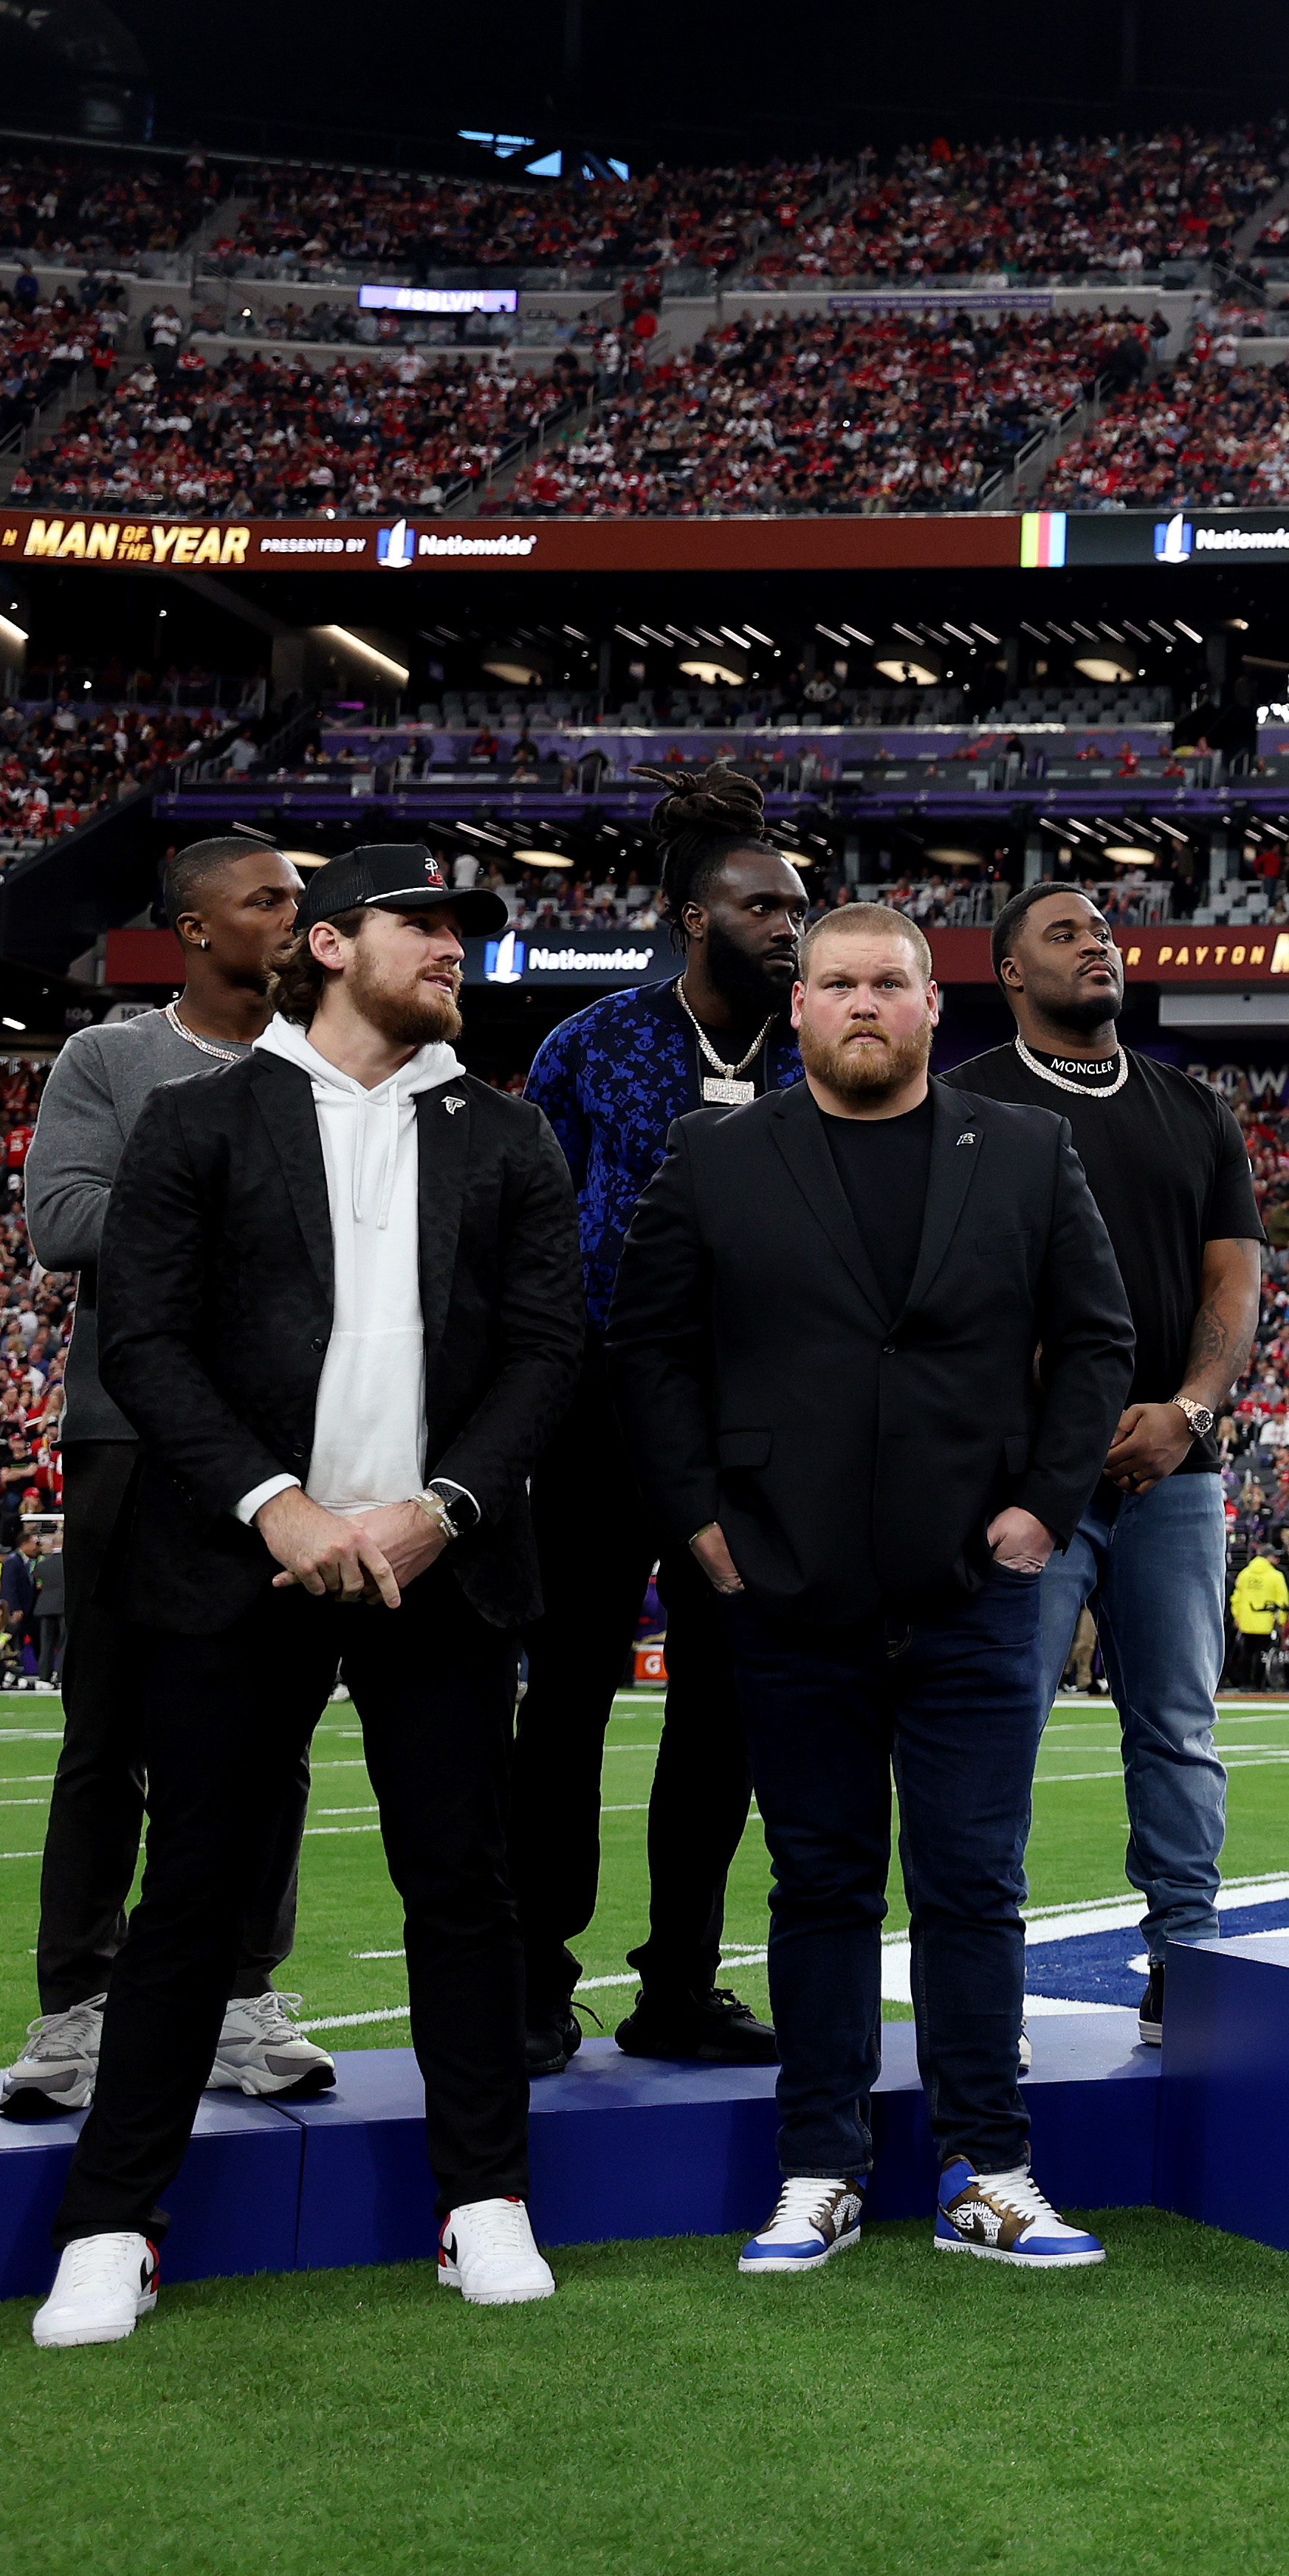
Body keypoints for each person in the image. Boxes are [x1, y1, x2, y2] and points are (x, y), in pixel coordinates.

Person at [33, 847, 582, 2348]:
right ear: (331, 943)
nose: (457, 949)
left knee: (463, 1884)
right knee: (194, 1889)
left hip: (438, 1565)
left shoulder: (509, 1134)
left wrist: (438, 1510)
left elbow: (546, 1352)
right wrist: (279, 1505)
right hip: (237, 1559)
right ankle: (112, 2216)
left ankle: (485, 2196)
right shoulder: (195, 1120)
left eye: (469, 930)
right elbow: (144, 1342)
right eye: (428, 925)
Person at [611, 905, 1135, 2280]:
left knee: (974, 1884)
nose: (860, 1002)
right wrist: (702, 1532)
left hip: (971, 1584)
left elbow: (1095, 1340)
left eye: (887, 983)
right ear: (798, 1010)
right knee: (821, 1885)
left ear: (929, 1007)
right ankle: (818, 2168)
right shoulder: (716, 1156)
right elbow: (651, 1354)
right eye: (834, 982)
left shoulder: (1025, 1147)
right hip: (787, 1586)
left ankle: (990, 2167)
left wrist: (1043, 1512)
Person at [5, 836, 329, 2122]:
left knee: (279, 1734)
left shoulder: (337, 1060)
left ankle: (244, 1997)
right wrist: (239, 1184)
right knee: (109, 1733)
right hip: (133, 1428)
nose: (297, 926)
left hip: (304, 1449)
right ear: (193, 930)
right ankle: (79, 2007)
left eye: (306, 908)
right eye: (267, 904)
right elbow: (64, 1223)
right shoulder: (108, 1059)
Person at [512, 766, 806, 2075]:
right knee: (566, 1699)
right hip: (593, 1412)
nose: (791, 928)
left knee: (723, 1712)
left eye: (799, 908)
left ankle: (679, 1984)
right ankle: (532, 1976)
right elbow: (529, 1247)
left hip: (749, 1428)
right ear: (695, 914)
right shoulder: (588, 1046)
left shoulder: (814, 1055)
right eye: (764, 908)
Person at [946, 885, 1263, 2053]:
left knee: (1177, 1725)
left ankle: (1187, 1964)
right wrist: (1075, 1422)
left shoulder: (1191, 1103)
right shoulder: (966, 1099)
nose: (1099, 944)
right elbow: (960, 1292)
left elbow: (1233, 1277)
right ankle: (983, 1985)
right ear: (1011, 973)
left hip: (1176, 1473)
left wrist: (1186, 1409)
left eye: (1105, 930)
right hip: (1027, 1478)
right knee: (998, 1726)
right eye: (1065, 934)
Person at [1228, 1549, 1288, 1692]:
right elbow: (1282, 1600)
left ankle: (1244, 1683)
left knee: (1246, 1653)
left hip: (1246, 1622)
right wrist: (1282, 1619)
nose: (1277, 1560)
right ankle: (1258, 1685)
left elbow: (1236, 1598)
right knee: (1262, 1655)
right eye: (1274, 1557)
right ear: (1268, 1558)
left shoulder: (1245, 1574)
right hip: (1265, 1622)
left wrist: (1237, 1616)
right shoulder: (1276, 1576)